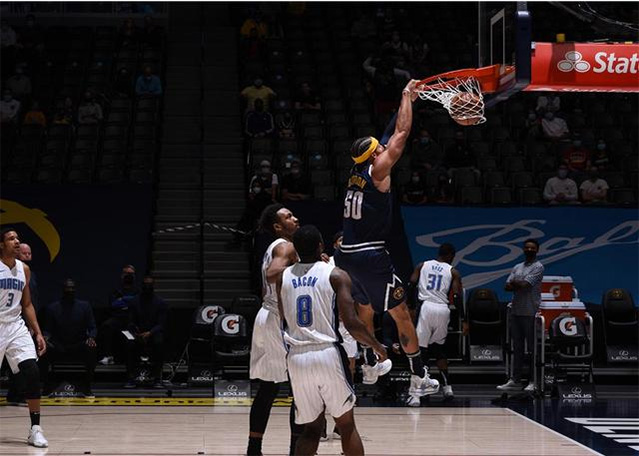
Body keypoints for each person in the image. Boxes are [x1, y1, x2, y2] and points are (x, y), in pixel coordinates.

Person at [334, 79, 439, 399]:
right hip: (369, 255)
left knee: (365, 307)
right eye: (380, 149)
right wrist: (408, 95)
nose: (384, 148)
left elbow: (390, 130)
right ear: (375, 156)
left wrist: (407, 100)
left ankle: (368, 363)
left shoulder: (359, 170)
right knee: (401, 312)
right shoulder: (378, 171)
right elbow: (401, 135)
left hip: (347, 255)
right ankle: (419, 374)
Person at [277, 225, 388, 456]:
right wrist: (375, 345)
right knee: (346, 426)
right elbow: (351, 323)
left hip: (296, 356)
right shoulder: (335, 274)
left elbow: (283, 318)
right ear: (320, 246)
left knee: (311, 430)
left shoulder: (283, 277)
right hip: (327, 352)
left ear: (296, 249)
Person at [246, 203, 303, 456]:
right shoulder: (285, 246)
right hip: (278, 320)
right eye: (289, 216)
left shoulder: (274, 247)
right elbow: (272, 274)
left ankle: (254, 448)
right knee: (300, 388)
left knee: (268, 389)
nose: (295, 218)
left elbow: (263, 286)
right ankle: (295, 450)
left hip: (267, 316)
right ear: (278, 226)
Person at [0, 228, 48, 447]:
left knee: (32, 371)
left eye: (17, 238)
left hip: (16, 326)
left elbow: (26, 304)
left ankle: (35, 429)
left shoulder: (24, 270)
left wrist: (37, 331)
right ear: (2, 245)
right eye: (11, 239)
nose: (17, 241)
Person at [406, 243, 464, 406]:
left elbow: (411, 285)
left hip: (426, 307)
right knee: (439, 350)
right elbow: (457, 297)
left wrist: (410, 307)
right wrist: (464, 319)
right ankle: (447, 388)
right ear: (451, 255)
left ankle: (416, 395)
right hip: (442, 309)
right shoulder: (453, 271)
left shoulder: (422, 265)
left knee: (420, 352)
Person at [498, 239, 544, 392]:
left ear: (537, 250)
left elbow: (526, 285)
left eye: (532, 248)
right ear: (523, 249)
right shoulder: (517, 267)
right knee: (516, 348)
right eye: (527, 247)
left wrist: (516, 283)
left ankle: (533, 380)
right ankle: (515, 379)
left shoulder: (538, 267)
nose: (529, 250)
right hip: (516, 311)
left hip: (530, 312)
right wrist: (519, 283)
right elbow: (506, 286)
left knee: (532, 349)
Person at [40, 279, 97, 397]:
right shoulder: (52, 308)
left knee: (91, 349)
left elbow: (92, 327)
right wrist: (45, 337)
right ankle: (46, 387)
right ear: (63, 290)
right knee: (43, 349)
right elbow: (47, 329)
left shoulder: (84, 306)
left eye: (72, 288)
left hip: (78, 344)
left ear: (75, 289)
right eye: (67, 288)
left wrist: (91, 337)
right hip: (59, 345)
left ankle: (87, 387)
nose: (69, 290)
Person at [125, 275, 166, 389]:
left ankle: (157, 378)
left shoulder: (160, 302)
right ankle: (131, 378)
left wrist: (150, 333)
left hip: (153, 333)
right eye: (145, 285)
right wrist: (136, 332)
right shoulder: (134, 301)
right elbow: (130, 321)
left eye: (149, 285)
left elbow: (161, 324)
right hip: (138, 333)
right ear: (142, 286)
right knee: (129, 343)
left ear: (153, 286)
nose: (147, 287)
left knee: (159, 342)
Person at [98, 265, 138, 365]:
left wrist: (122, 299)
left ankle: (135, 359)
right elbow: (114, 304)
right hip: (117, 318)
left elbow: (136, 304)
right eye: (126, 273)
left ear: (134, 276)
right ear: (122, 275)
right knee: (106, 326)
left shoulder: (138, 291)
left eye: (131, 274)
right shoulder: (115, 290)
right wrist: (129, 301)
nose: (128, 276)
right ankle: (108, 356)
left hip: (131, 319)